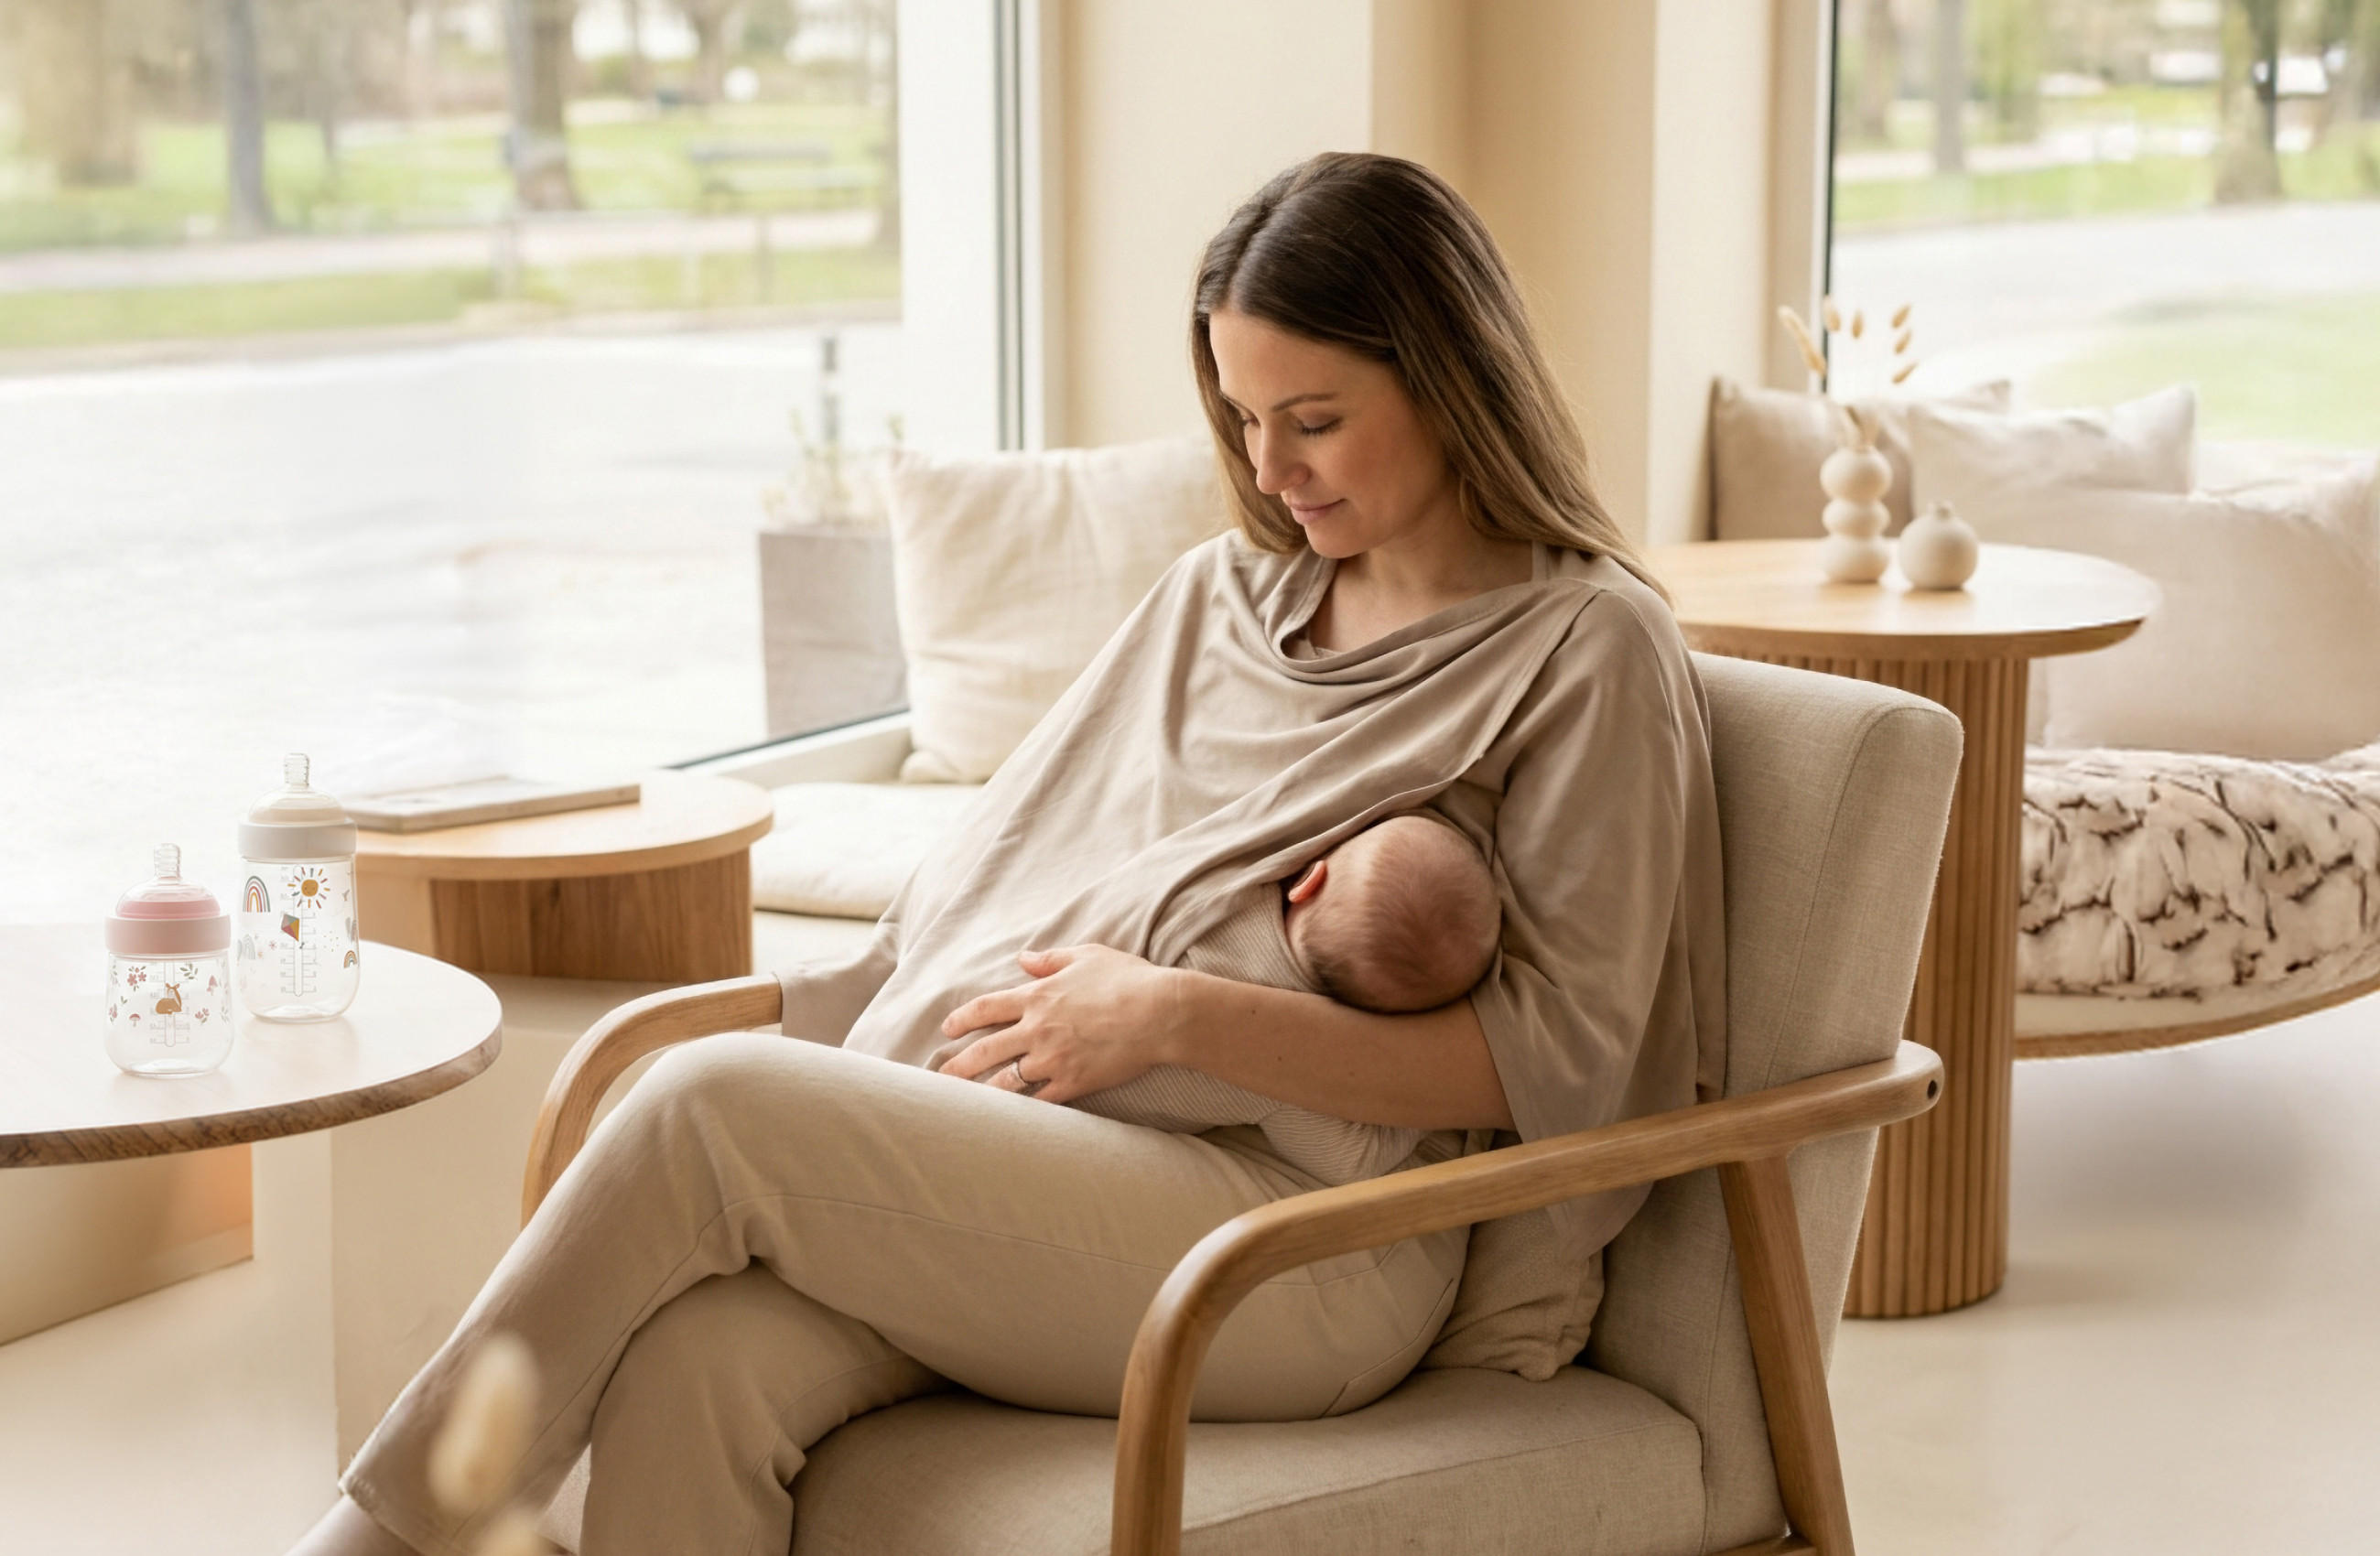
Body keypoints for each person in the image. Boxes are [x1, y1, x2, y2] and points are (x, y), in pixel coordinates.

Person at [293, 150, 1724, 1556]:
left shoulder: (1585, 650)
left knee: (708, 1100)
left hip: (1308, 1246)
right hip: (1058, 1162)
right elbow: (1022, 855)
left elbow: (1569, 1065)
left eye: (1315, 420)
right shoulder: (1216, 598)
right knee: (704, 1367)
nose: (1268, 468)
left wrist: (1178, 1016)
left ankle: (384, 1541)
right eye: (1241, 419)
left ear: (1448, 378)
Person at [1060, 811, 1501, 1186]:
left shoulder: (1233, 892)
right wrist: (1429, 1113)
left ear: (1308, 878)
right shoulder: (1287, 1077)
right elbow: (1353, 1160)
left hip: (1046, 1002)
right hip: (1059, 1107)